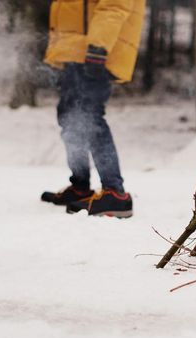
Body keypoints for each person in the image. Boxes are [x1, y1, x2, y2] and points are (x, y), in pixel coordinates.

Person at [40, 0, 146, 218]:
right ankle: (80, 186)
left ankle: (115, 193)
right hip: (76, 50)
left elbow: (114, 6)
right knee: (70, 117)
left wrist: (98, 47)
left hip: (95, 49)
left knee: (89, 117)